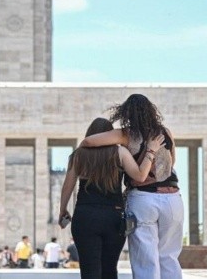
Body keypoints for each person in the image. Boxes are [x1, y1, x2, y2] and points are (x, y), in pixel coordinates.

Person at [79, 94, 184, 279]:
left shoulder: (126, 134)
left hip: (143, 197)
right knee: (169, 256)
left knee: (145, 257)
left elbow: (88, 142)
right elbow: (171, 162)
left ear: (126, 113)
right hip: (173, 199)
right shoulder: (165, 132)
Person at [59, 117, 164, 279]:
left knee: (89, 271)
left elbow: (68, 186)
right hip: (113, 217)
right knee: (109, 269)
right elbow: (140, 175)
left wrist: (63, 209)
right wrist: (150, 151)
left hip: (85, 215)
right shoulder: (120, 152)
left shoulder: (78, 155)